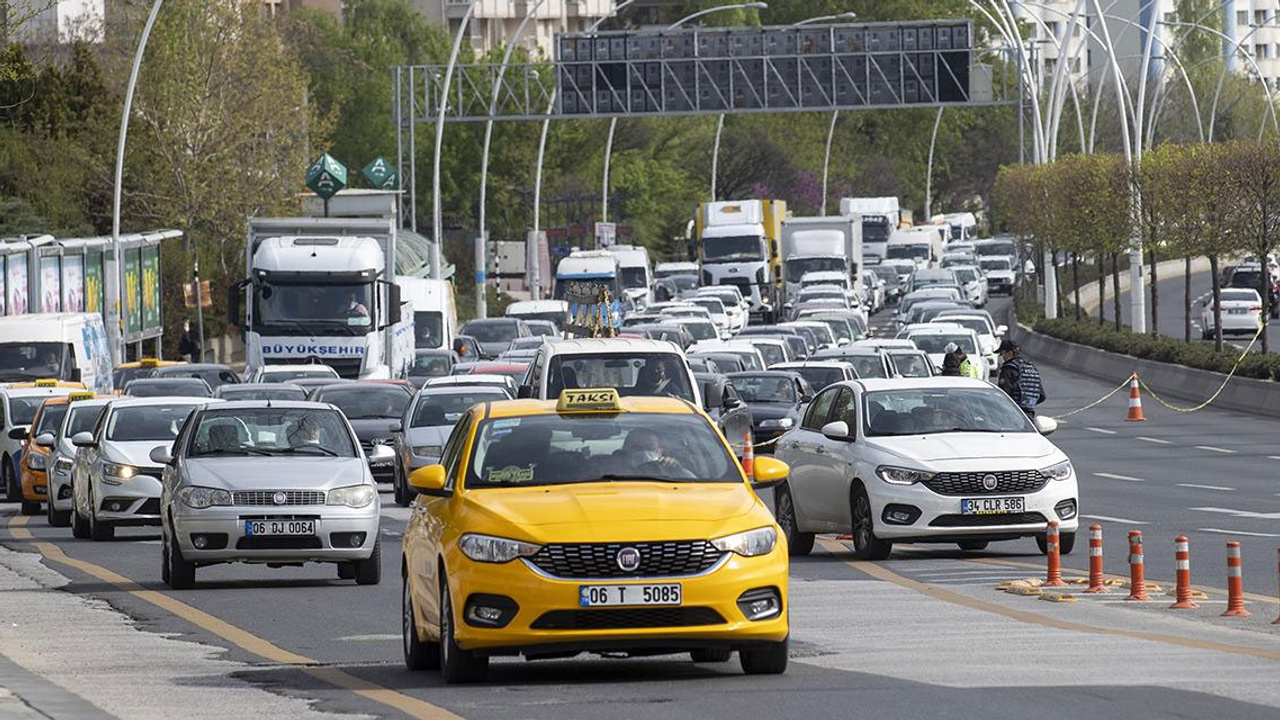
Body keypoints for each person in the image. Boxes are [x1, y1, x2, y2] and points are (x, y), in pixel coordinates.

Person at [997, 339, 1046, 417]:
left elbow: (1004, 394)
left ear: (1009, 353)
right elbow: (1042, 396)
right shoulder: (1031, 367)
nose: (1002, 358)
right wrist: (1028, 404)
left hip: (1012, 415)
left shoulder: (1008, 368)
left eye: (1003, 354)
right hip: (1029, 417)